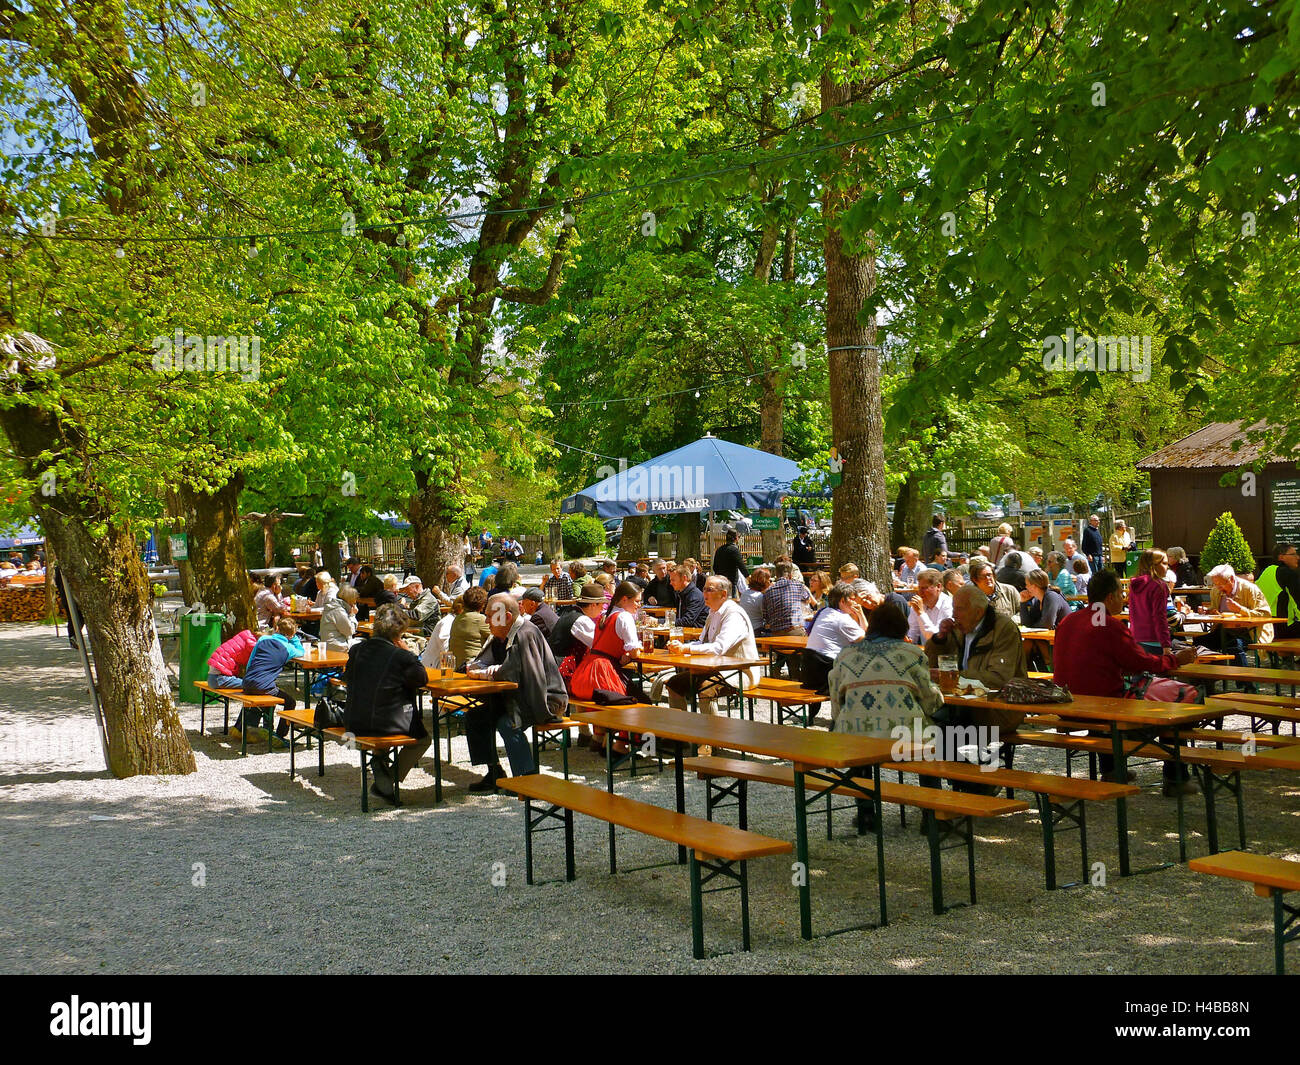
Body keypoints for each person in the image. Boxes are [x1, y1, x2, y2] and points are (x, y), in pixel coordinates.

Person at [1053, 569, 1198, 794]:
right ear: (1110, 597)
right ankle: (1176, 778)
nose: (1124, 598)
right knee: (1174, 708)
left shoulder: (1068, 621)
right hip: (1101, 707)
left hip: (1068, 705)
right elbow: (1140, 662)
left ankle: (1112, 769)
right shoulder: (1109, 625)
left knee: (1100, 698)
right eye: (1121, 593)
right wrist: (1174, 660)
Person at [465, 593, 567, 791]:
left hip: (546, 699)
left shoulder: (525, 633)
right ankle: (494, 771)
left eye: (489, 616)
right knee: (476, 717)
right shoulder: (501, 636)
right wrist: (478, 668)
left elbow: (511, 672)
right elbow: (482, 662)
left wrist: (485, 674)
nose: (486, 621)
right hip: (518, 697)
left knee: (508, 723)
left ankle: (527, 778)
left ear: (507, 617)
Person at [343, 603, 432, 804]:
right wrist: (411, 653)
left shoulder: (357, 650)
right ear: (400, 631)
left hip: (354, 721)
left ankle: (380, 764)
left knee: (382, 715)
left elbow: (346, 676)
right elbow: (421, 680)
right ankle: (387, 779)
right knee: (423, 740)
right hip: (385, 723)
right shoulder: (401, 656)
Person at [664, 577, 762, 749]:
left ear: (723, 594)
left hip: (740, 672)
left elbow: (719, 648)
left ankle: (713, 742)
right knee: (674, 684)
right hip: (713, 669)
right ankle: (681, 736)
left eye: (709, 589)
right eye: (704, 589)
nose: (704, 593)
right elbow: (702, 643)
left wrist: (686, 649)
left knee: (706, 688)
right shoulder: (713, 612)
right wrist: (680, 646)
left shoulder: (734, 614)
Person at [924, 584, 1028, 733]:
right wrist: (940, 640)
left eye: (959, 609)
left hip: (996, 709)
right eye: (954, 608)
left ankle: (953, 756)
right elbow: (932, 664)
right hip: (959, 706)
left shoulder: (1003, 629)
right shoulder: (959, 629)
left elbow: (999, 678)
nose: (954, 614)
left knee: (940, 732)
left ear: (978, 612)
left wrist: (954, 677)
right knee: (919, 723)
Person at [236, 617, 304, 747]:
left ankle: (266, 728)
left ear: (277, 628)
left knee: (269, 694)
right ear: (291, 634)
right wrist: (294, 638)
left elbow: (251, 661)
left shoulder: (262, 640)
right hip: (263, 686)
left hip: (247, 682)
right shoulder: (288, 649)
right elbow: (301, 651)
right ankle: (279, 735)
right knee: (290, 702)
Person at [803, 581, 868, 694]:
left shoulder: (824, 612)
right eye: (852, 599)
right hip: (827, 675)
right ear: (842, 601)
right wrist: (860, 614)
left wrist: (858, 614)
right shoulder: (842, 619)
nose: (855, 603)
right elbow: (866, 641)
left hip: (810, 673)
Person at [1206, 564, 1274, 661]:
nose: (1218, 588)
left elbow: (1265, 615)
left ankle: (1241, 675)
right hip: (1224, 630)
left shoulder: (1250, 589)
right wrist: (1209, 611)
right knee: (1200, 643)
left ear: (1232, 579)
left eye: (1221, 584)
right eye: (1215, 584)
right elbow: (1216, 610)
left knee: (1234, 644)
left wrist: (1240, 609)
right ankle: (1213, 674)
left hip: (1250, 632)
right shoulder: (1215, 591)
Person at [762, 560, 811, 678]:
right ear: (790, 575)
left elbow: (766, 616)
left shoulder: (768, 592)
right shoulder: (798, 586)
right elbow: (807, 600)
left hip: (776, 635)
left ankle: (778, 670)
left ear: (776, 575)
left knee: (784, 649)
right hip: (795, 632)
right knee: (801, 646)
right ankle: (796, 676)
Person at [1128, 549, 1175, 652]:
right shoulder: (1159, 585)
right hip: (1155, 641)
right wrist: (1166, 645)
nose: (1167, 567)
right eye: (1164, 563)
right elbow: (1160, 617)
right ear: (1153, 565)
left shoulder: (1135, 584)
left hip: (1137, 638)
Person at [1257, 543, 1300, 640]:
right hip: (1283, 626)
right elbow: (1298, 600)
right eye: (1293, 554)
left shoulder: (1264, 571)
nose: (1297, 557)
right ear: (1281, 557)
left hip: (1264, 626)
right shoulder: (1287, 574)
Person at [906, 568, 953, 645]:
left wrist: (921, 613)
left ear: (938, 587)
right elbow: (912, 632)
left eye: (924, 588)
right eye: (919, 588)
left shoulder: (948, 604)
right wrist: (908, 641)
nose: (920, 592)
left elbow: (937, 637)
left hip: (944, 652)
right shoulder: (919, 605)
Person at [449, 586, 492, 666]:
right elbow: (498, 636)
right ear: (483, 604)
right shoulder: (480, 619)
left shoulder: (457, 618)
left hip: (457, 666)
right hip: (472, 665)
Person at [206, 628, 259, 694]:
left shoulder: (243, 637)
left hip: (213, 678)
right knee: (253, 686)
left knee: (250, 684)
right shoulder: (251, 643)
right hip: (219, 679)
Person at [321, 584, 360, 652]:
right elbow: (349, 631)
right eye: (354, 600)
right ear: (350, 600)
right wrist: (352, 615)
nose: (355, 602)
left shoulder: (333, 606)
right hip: (337, 646)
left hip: (330, 644)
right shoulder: (338, 610)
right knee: (366, 645)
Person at [671, 563, 710, 627]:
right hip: (684, 632)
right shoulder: (680, 594)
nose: (671, 583)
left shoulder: (695, 596)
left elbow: (687, 621)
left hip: (697, 635)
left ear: (684, 578)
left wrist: (661, 622)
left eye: (673, 580)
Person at [712, 529, 749, 594]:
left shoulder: (719, 549)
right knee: (731, 601)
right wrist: (749, 578)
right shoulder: (734, 550)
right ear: (736, 538)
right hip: (731, 582)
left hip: (720, 581)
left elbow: (715, 567)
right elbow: (742, 566)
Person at [740, 568, 770, 633]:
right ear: (765, 582)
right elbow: (767, 616)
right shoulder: (760, 597)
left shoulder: (745, 593)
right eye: (769, 580)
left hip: (744, 629)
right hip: (757, 630)